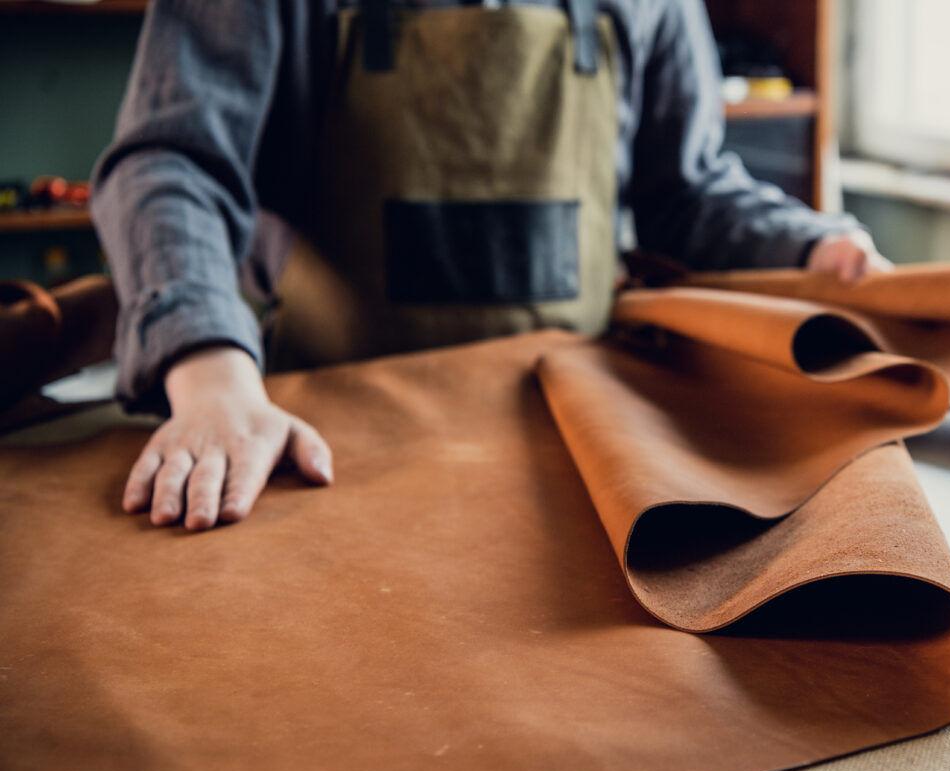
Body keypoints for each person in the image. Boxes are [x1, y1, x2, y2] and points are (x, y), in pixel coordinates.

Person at [92, 0, 891, 533]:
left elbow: (686, 186)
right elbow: (174, 163)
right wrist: (210, 375)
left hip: (583, 451)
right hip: (329, 457)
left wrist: (815, 249)